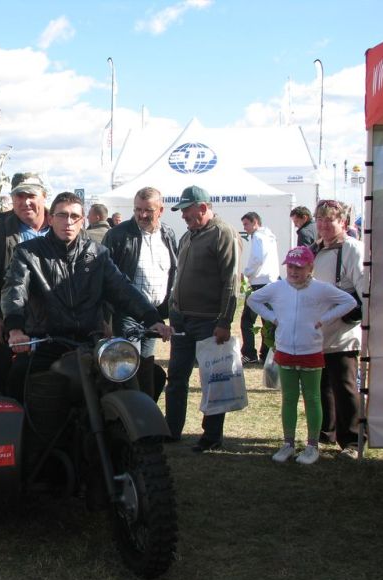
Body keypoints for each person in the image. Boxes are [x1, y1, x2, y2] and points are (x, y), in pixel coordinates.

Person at [1, 192, 172, 403]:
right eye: (62, 215)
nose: (68, 222)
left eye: (74, 216)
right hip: (48, 342)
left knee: (140, 375)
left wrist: (151, 317)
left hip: (90, 342)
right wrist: (16, 330)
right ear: (51, 218)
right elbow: (14, 291)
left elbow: (122, 288)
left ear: (83, 221)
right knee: (19, 381)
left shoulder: (97, 253)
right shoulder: (28, 253)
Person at [247, 246, 357, 465]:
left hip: (311, 350)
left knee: (312, 398)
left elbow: (350, 302)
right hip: (285, 350)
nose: (294, 271)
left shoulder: (320, 289)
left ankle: (312, 446)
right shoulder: (278, 287)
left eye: (299, 267)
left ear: (310, 268)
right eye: (290, 266)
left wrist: (325, 318)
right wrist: (273, 317)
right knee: (289, 398)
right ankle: (288, 443)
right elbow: (252, 300)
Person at [164, 185, 239, 452]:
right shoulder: (188, 236)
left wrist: (224, 321)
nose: (183, 215)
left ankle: (211, 437)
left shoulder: (222, 233)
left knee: (212, 379)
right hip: (182, 320)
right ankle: (171, 430)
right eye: (182, 211)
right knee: (175, 378)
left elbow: (231, 281)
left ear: (203, 207)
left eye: (187, 210)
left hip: (208, 321)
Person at [0, 172, 50, 394]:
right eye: (19, 196)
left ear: (44, 196)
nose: (26, 202)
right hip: (9, 318)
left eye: (31, 195)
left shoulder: (63, 225)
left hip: (56, 319)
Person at [102, 186, 178, 400]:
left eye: (148, 210)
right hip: (126, 315)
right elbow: (105, 281)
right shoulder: (118, 235)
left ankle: (145, 419)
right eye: (137, 210)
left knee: (145, 367)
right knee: (128, 369)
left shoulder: (168, 234)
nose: (142, 215)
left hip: (154, 315)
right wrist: (106, 318)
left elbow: (173, 272)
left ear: (160, 210)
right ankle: (129, 420)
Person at [311, 199, 365, 459]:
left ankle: (354, 441)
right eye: (319, 220)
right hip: (319, 331)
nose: (323, 225)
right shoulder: (316, 249)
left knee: (344, 385)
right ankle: (327, 433)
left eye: (329, 220)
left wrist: (362, 321)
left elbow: (364, 289)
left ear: (342, 222)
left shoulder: (353, 249)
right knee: (323, 385)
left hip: (343, 331)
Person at [240, 211, 280, 364]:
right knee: (267, 321)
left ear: (255, 222)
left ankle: (249, 354)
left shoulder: (258, 236)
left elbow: (257, 258)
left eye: (246, 224)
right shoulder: (269, 236)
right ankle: (266, 353)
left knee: (247, 321)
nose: (245, 228)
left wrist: (247, 273)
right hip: (271, 281)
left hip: (259, 283)